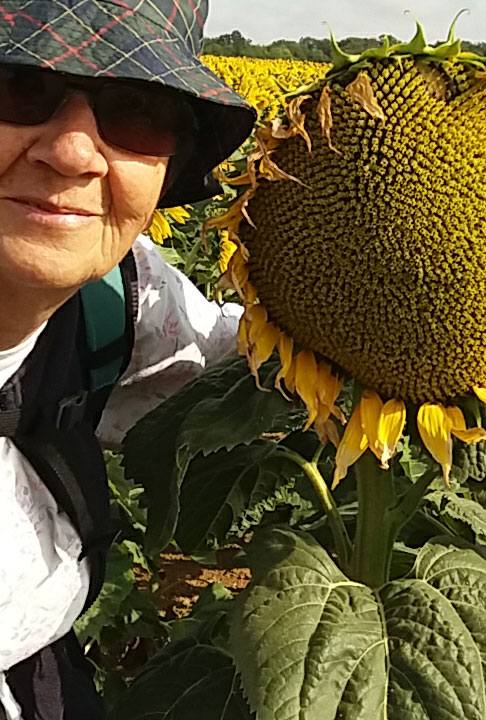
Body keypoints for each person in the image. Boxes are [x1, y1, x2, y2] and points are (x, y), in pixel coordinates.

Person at [0, 1, 257, 718]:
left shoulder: (119, 296)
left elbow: (241, 363)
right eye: (18, 88)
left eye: (136, 111)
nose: (75, 153)